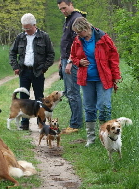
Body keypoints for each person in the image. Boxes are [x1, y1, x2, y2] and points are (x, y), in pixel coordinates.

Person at [70, 17, 121, 147]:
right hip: (86, 79)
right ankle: (91, 139)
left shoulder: (103, 38)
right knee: (89, 108)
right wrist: (78, 62)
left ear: (86, 29)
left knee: (104, 107)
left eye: (79, 32)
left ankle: (106, 136)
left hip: (103, 78)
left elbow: (113, 58)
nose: (77, 35)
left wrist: (116, 76)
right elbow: (73, 56)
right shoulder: (77, 41)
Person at [9, 13, 55, 130]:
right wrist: (15, 66)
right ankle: (25, 123)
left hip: (38, 71)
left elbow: (51, 54)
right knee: (23, 98)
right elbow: (12, 53)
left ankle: (41, 122)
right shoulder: (20, 37)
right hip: (24, 71)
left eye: (28, 28)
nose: (26, 30)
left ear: (34, 25)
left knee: (39, 97)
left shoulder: (44, 36)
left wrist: (44, 67)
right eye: (24, 28)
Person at [57, 0, 86, 134]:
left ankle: (76, 124)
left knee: (73, 93)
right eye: (61, 9)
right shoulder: (68, 19)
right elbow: (66, 41)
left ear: (71, 4)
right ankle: (74, 121)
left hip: (72, 61)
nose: (63, 11)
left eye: (64, 8)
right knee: (69, 92)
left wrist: (69, 61)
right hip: (65, 59)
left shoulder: (77, 18)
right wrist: (61, 60)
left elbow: (77, 42)